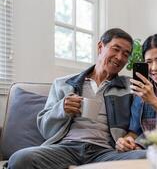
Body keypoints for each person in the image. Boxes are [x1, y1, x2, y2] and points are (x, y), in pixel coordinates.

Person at [8, 28, 146, 169]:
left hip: (106, 152)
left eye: (125, 54)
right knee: (20, 159)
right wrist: (62, 109)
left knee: (145, 157)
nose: (119, 57)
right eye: (115, 49)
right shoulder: (63, 84)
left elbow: (143, 124)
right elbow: (45, 129)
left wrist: (129, 141)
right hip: (66, 149)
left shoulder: (130, 88)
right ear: (100, 47)